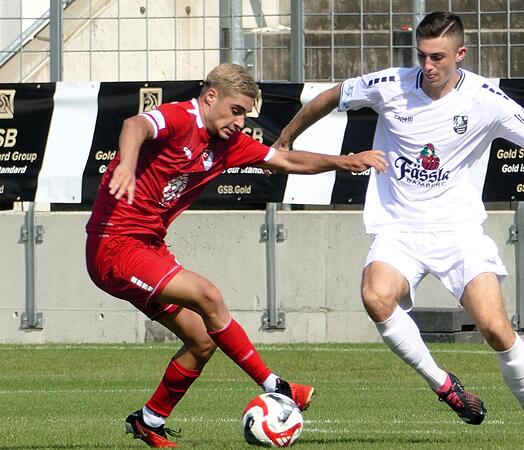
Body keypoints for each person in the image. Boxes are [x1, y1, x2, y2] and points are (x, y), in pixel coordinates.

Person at [274, 11, 524, 443]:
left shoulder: (485, 99)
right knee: (375, 296)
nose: (427, 66)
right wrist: (287, 137)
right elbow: (332, 95)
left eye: (437, 57)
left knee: (495, 329)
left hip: (458, 232)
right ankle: (444, 385)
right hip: (400, 229)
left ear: (460, 55)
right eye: (421, 56)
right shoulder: (393, 84)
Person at [85, 63, 387, 448]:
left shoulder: (228, 144)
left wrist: (343, 162)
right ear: (210, 97)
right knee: (208, 295)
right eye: (236, 110)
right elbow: (134, 125)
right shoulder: (181, 117)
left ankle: (150, 420)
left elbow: (286, 161)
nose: (240, 121)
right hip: (115, 246)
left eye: (245, 113)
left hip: (148, 247)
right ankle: (276, 385)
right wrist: (127, 163)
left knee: (201, 340)